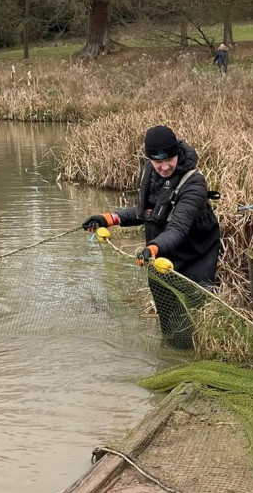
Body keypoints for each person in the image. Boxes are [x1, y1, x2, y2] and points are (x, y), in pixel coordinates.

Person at [82, 125, 220, 347]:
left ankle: (195, 351)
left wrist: (153, 248)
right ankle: (171, 353)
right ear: (149, 158)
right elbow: (146, 213)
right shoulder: (150, 172)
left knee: (193, 311)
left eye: (170, 160)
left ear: (177, 152)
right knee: (168, 312)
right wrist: (108, 218)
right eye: (158, 161)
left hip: (195, 252)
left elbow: (178, 228)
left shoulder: (194, 184)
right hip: (159, 254)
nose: (164, 167)